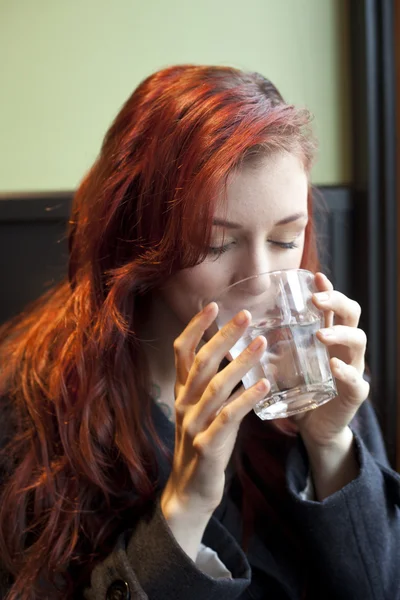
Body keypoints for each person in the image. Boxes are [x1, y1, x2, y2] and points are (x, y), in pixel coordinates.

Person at [0, 65, 398, 600]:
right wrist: (185, 507)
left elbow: (379, 587)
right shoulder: (31, 406)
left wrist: (330, 446)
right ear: (138, 237)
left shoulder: (314, 359)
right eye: (216, 244)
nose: (256, 283)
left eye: (285, 240)